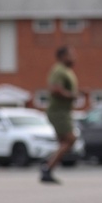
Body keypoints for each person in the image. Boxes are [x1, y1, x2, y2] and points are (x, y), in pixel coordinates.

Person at [42, 45, 80, 185]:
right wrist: (72, 95)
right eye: (71, 55)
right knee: (70, 139)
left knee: (62, 143)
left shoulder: (66, 71)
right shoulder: (58, 70)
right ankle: (47, 167)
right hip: (58, 112)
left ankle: (48, 167)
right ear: (63, 56)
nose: (73, 58)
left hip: (64, 111)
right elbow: (55, 90)